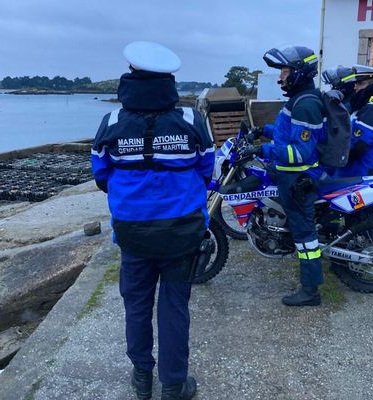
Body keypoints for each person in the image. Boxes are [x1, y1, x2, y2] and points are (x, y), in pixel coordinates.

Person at [90, 41, 214, 400]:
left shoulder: (111, 122)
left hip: (133, 233)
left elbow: (101, 172)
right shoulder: (192, 119)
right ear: (170, 82)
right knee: (174, 306)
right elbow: (207, 168)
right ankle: (174, 385)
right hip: (182, 231)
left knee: (137, 303)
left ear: (130, 77)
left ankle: (142, 377)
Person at [243, 45, 326, 307]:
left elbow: (301, 151)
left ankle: (311, 291)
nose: (281, 77)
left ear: (299, 73)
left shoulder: (307, 104)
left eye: (286, 71)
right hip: (287, 175)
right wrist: (262, 131)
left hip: (298, 179)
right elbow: (286, 133)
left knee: (305, 237)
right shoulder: (300, 100)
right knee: (299, 230)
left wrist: (263, 149)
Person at [333, 65, 373, 177]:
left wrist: (336, 160)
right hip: (362, 168)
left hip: (360, 171)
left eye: (360, 84)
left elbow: (359, 145)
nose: (355, 87)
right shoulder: (372, 107)